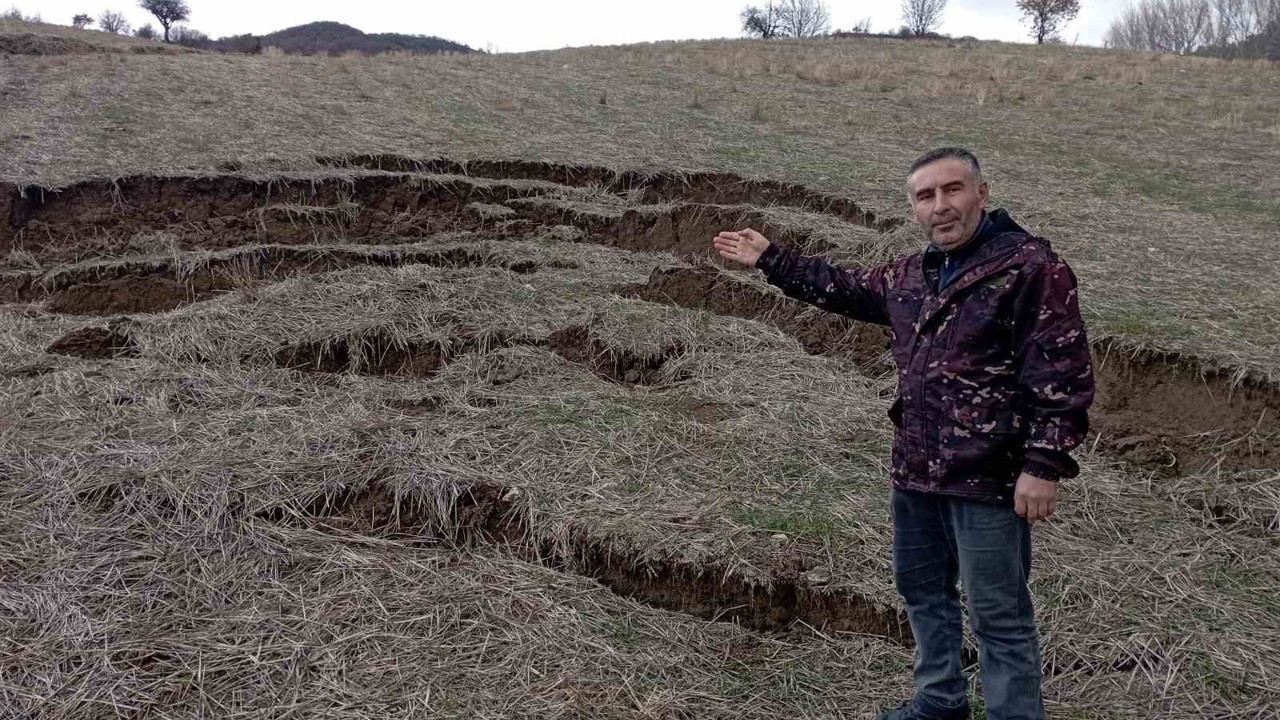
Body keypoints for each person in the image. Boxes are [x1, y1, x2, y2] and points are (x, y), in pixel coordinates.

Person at [712, 148, 1095, 720]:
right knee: (922, 591)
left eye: (953, 190)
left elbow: (1062, 372)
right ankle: (940, 700)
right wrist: (773, 259)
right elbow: (841, 287)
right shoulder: (911, 275)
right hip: (915, 470)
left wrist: (1042, 465)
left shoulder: (1030, 268)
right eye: (926, 196)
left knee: (999, 615)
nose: (941, 206)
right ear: (915, 208)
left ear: (981, 195)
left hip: (989, 477)